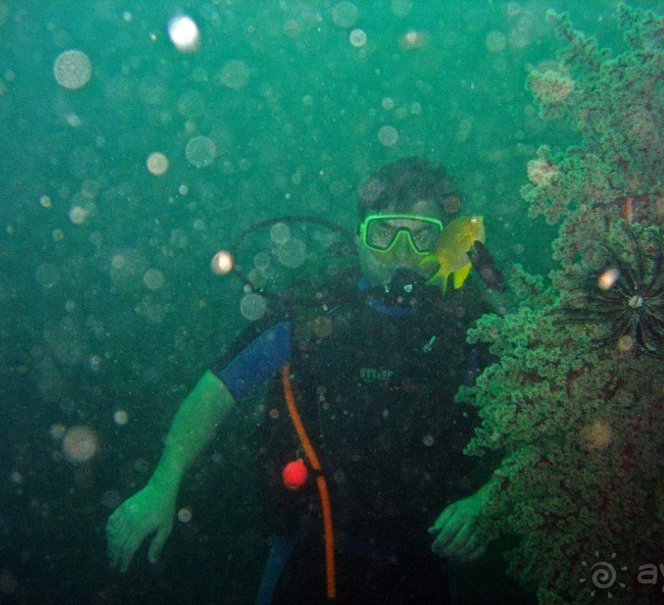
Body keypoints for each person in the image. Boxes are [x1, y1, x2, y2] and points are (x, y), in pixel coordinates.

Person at [106, 157, 498, 604]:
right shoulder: (312, 316)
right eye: (384, 233)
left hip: (427, 565)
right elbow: (214, 393)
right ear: (358, 237)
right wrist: (162, 483)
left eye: (422, 233)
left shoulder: (468, 330)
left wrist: (490, 498)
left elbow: (545, 417)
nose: (403, 252)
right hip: (311, 553)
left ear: (443, 242)